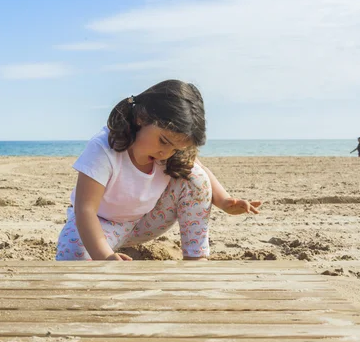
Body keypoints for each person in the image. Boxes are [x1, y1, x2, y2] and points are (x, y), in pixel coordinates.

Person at [55, 79, 261, 261]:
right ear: (141, 118)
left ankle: (196, 258)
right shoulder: (104, 148)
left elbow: (201, 170)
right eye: (163, 141)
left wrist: (225, 201)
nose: (165, 153)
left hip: (146, 221)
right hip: (101, 223)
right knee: (72, 255)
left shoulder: (169, 152)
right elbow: (85, 209)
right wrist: (105, 257)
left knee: (195, 177)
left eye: (176, 148)